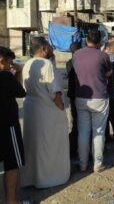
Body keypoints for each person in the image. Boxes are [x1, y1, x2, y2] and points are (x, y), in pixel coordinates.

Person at [21, 37, 70, 188]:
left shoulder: (27, 64)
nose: (50, 48)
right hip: (47, 111)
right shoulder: (47, 64)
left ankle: (32, 178)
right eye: (49, 45)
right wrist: (62, 107)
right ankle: (50, 178)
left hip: (31, 109)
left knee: (34, 145)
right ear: (43, 48)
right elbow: (54, 91)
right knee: (49, 145)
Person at [73, 30, 112, 173]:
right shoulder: (103, 56)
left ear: (86, 39)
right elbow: (108, 73)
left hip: (81, 97)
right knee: (98, 132)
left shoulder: (76, 54)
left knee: (83, 131)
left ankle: (83, 164)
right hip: (99, 97)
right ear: (100, 42)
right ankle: (97, 164)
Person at [0, 47, 26, 203]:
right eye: (10, 63)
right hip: (8, 126)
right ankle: (12, 200)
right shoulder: (5, 77)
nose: (11, 66)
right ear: (2, 61)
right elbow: (22, 92)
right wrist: (18, 73)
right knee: (12, 164)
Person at [67, 42, 81, 159]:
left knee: (75, 122)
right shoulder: (78, 62)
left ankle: (73, 149)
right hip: (80, 95)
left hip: (73, 95)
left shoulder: (69, 63)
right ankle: (75, 149)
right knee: (79, 123)